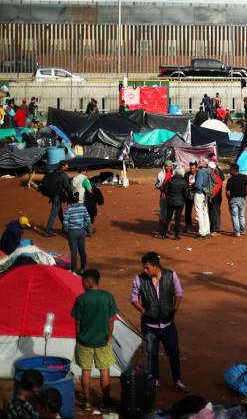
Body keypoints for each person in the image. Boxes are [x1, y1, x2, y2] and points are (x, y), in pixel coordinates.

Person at [130, 252, 188, 391]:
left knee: (173, 352)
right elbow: (134, 299)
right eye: (144, 268)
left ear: (155, 266)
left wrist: (175, 308)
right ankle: (155, 379)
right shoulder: (139, 279)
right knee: (152, 353)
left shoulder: (171, 275)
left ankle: (177, 380)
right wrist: (143, 311)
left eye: (147, 268)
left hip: (168, 324)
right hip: (149, 326)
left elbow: (179, 293)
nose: (144, 270)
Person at [70, 269, 118, 411]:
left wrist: (78, 336)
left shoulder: (81, 299)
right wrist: (109, 336)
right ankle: (106, 401)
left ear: (88, 282)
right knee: (104, 370)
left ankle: (87, 402)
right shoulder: (108, 297)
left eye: (83, 281)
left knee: (86, 371)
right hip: (103, 341)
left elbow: (77, 323)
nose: (82, 284)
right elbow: (111, 321)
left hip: (84, 341)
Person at [62, 191, 91, 274]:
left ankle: (73, 270)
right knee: (82, 251)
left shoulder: (69, 209)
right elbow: (88, 220)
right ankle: (83, 269)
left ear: (70, 200)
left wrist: (67, 230)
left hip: (72, 232)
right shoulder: (83, 208)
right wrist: (83, 227)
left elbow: (65, 222)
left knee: (74, 252)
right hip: (81, 231)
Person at [41, 162, 70, 237]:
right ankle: (47, 230)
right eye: (67, 165)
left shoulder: (53, 172)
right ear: (63, 166)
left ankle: (64, 228)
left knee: (59, 212)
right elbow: (67, 186)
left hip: (52, 195)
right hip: (57, 196)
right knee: (53, 214)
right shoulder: (63, 175)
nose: (68, 166)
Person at [161, 166, 187, 240]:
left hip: (170, 201)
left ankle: (163, 234)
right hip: (180, 202)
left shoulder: (170, 180)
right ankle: (176, 235)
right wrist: (182, 198)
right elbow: (186, 193)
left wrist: (169, 195)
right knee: (177, 219)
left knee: (168, 218)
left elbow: (165, 190)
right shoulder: (183, 181)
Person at [226, 163, 247, 237]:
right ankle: (242, 230)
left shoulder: (230, 179)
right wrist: (245, 195)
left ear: (233, 170)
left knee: (235, 216)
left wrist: (229, 199)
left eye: (230, 169)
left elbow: (228, 192)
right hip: (242, 198)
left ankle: (237, 232)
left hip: (233, 199)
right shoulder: (244, 177)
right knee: (241, 215)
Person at [155, 161, 175, 237]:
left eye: (170, 166)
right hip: (163, 197)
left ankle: (168, 229)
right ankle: (161, 231)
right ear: (164, 166)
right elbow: (156, 185)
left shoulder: (174, 174)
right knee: (162, 214)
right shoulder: (160, 174)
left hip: (172, 197)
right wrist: (160, 186)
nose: (168, 168)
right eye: (167, 166)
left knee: (170, 214)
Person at [193, 158, 211, 238]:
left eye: (202, 161)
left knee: (199, 212)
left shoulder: (200, 171)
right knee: (205, 212)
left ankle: (202, 232)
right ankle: (207, 231)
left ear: (206, 163)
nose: (199, 162)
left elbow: (198, 185)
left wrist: (193, 187)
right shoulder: (209, 171)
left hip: (199, 193)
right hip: (205, 193)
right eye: (199, 161)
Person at [207, 160, 225, 235]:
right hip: (216, 198)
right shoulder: (218, 175)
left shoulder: (215, 177)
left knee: (214, 212)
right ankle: (213, 228)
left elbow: (214, 189)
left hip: (214, 198)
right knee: (214, 212)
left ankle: (216, 229)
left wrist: (211, 195)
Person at [183, 161, 198, 234]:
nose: (192, 169)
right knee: (188, 210)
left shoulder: (199, 174)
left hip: (197, 195)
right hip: (188, 195)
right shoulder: (186, 174)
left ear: (196, 168)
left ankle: (199, 225)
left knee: (198, 211)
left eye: (193, 168)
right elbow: (184, 184)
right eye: (191, 168)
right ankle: (188, 225)